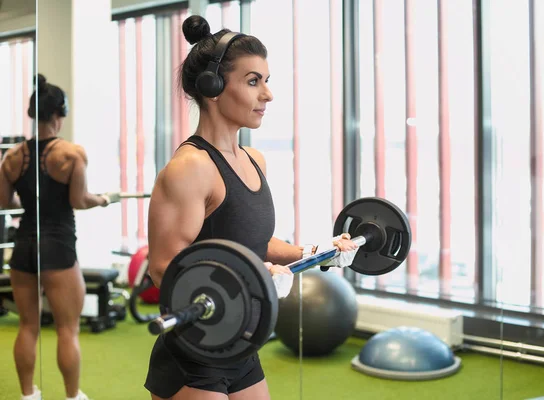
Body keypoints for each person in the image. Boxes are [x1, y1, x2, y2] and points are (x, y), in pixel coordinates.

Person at [145, 15, 359, 400]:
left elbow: (250, 240)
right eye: (252, 81)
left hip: (241, 342)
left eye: (266, 80)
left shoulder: (254, 159)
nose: (267, 95)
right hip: (195, 350)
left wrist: (315, 253)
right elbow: (164, 267)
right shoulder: (191, 168)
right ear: (212, 86)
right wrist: (249, 276)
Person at [0, 74, 120, 400]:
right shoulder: (70, 154)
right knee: (68, 329)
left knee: (27, 326)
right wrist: (105, 198)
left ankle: (28, 395)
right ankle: (71, 396)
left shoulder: (11, 157)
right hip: (58, 246)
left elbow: (5, 202)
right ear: (57, 115)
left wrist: (26, 201)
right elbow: (80, 200)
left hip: (24, 245)